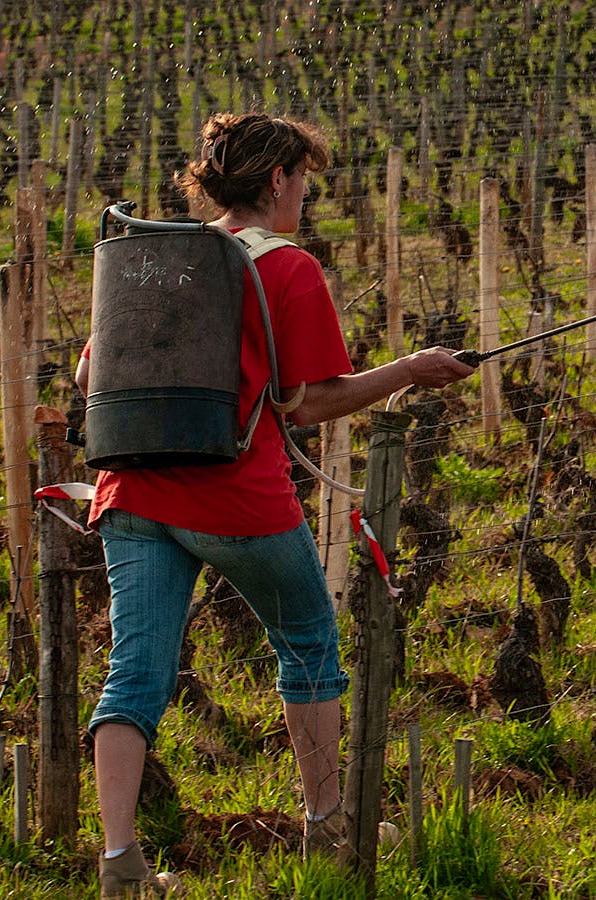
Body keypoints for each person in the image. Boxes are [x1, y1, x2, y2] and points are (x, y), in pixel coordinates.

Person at [78, 112, 474, 897]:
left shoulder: (155, 255)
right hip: (236, 500)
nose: (306, 195)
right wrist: (410, 370)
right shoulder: (288, 268)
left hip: (132, 494)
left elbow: (92, 379)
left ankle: (120, 863)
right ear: (275, 179)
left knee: (135, 674)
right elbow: (308, 403)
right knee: (309, 645)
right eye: (302, 180)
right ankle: (327, 826)